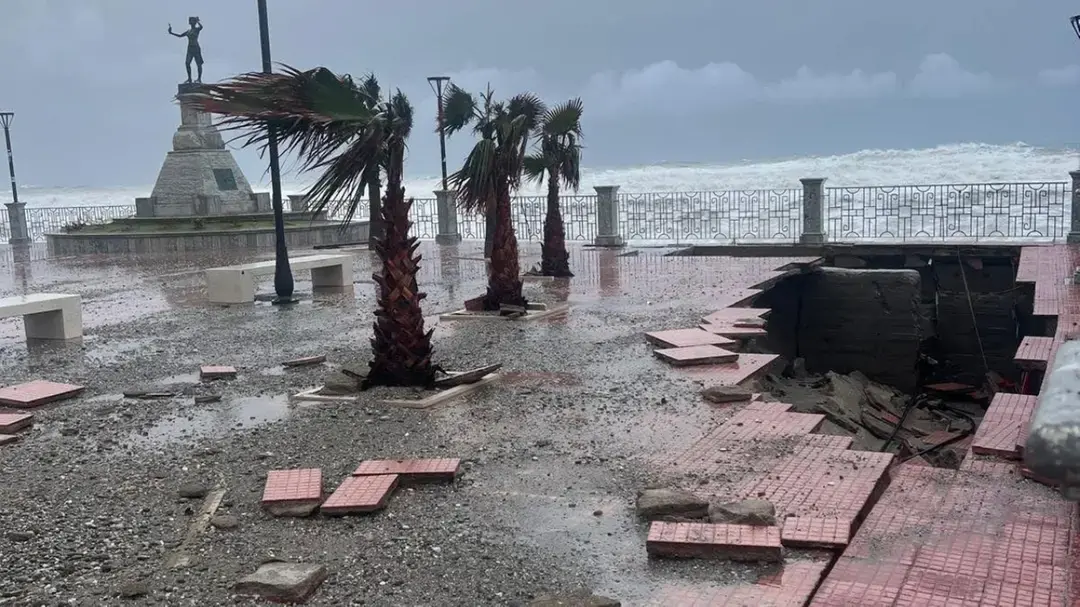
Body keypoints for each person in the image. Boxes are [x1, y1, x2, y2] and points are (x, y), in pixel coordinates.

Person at [168, 17, 204, 84]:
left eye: (192, 21)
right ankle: (189, 79)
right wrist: (171, 33)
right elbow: (180, 36)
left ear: (194, 22)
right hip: (190, 49)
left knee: (198, 64)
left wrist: (198, 21)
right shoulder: (188, 31)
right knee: (187, 63)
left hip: (196, 48)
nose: (191, 22)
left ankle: (199, 79)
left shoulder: (196, 29)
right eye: (190, 21)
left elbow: (201, 27)